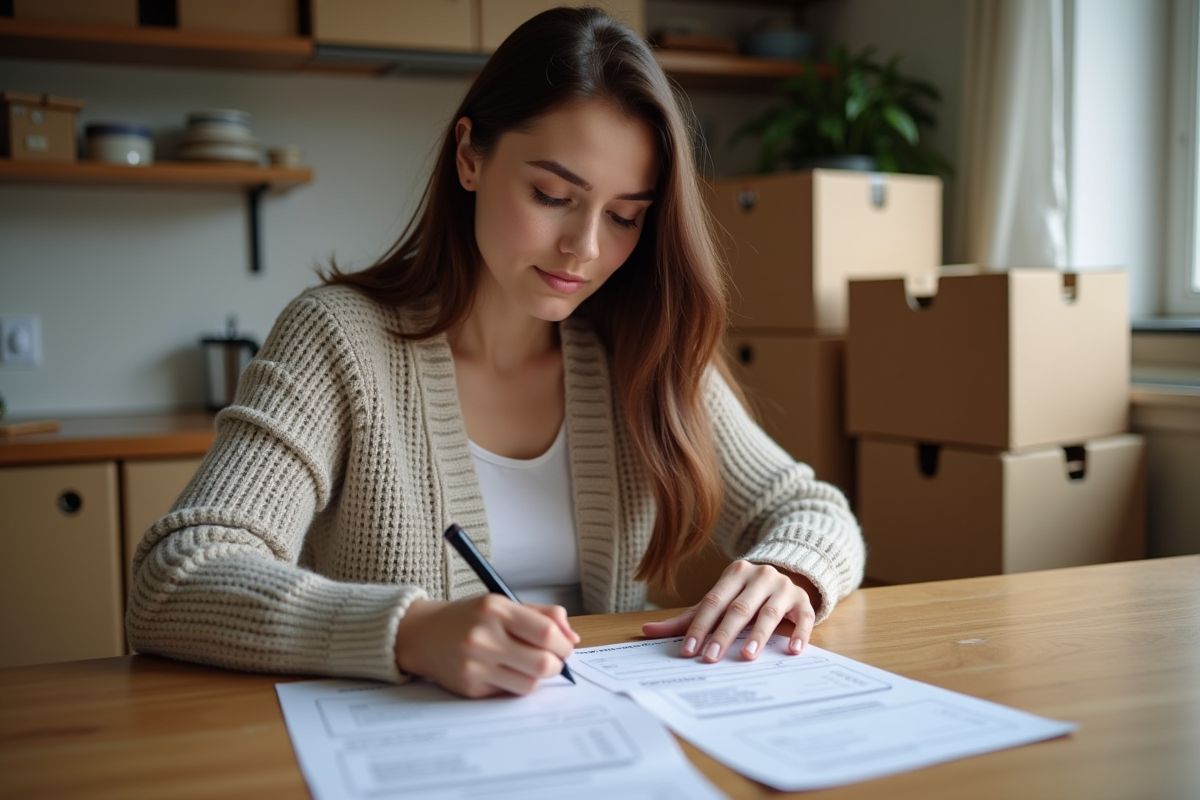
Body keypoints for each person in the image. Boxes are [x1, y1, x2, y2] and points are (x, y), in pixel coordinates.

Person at [126, 6, 865, 699]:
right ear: (471, 156)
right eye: (552, 195)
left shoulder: (639, 344)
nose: (585, 247)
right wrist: (408, 633)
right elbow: (176, 577)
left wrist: (789, 572)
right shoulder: (338, 339)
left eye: (625, 216)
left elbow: (809, 508)